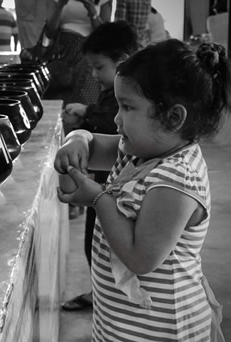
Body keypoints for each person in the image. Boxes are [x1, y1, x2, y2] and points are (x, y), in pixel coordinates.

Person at [54, 38, 231, 342]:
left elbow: (141, 256)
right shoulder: (139, 148)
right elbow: (94, 144)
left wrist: (98, 198)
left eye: (127, 107)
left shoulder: (177, 179)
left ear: (173, 118)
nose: (117, 119)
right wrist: (77, 139)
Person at [60, 20, 138, 311]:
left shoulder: (170, 177)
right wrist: (80, 133)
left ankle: (110, 297)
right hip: (107, 181)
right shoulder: (117, 91)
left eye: (98, 67)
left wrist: (87, 115)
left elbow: (141, 256)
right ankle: (102, 293)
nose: (120, 119)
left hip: (112, 189)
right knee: (97, 242)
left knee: (113, 246)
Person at [42, 0, 113, 105]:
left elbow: (105, 35)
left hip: (90, 53)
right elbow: (50, 31)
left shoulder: (103, 2)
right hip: (63, 52)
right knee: (58, 98)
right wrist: (60, 6)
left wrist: (92, 11)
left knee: (85, 99)